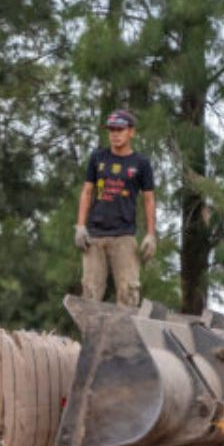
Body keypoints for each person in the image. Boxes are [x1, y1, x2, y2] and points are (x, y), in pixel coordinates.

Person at [74, 110, 157, 306]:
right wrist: (80, 226)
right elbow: (87, 191)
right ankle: (90, 327)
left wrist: (151, 234)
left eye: (120, 130)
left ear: (131, 132)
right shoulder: (97, 158)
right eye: (111, 130)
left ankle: (126, 327)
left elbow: (149, 200)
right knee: (90, 292)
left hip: (124, 236)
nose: (115, 134)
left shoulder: (141, 163)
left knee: (129, 292)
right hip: (95, 235)